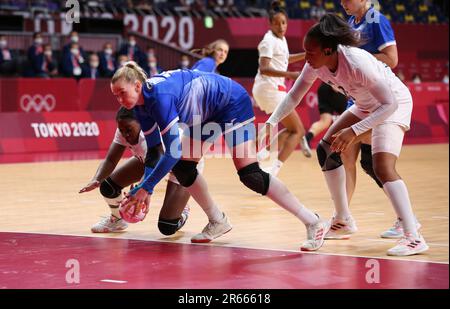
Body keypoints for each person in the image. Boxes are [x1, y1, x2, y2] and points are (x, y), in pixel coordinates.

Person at [110, 62, 329, 251]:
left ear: (138, 86)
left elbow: (173, 151)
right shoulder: (140, 106)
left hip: (230, 102)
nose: (119, 99)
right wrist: (144, 186)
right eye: (115, 96)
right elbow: (155, 152)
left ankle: (312, 222)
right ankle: (217, 221)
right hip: (205, 113)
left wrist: (147, 188)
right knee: (184, 169)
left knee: (250, 175)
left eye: (122, 92)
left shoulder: (159, 98)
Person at [266, 14, 429, 256]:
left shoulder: (356, 62)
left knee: (382, 165)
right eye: (305, 51)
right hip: (365, 104)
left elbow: (389, 104)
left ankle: (413, 237)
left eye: (311, 52)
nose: (306, 57)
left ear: (329, 50)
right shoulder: (315, 64)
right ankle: (343, 221)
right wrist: (271, 122)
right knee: (326, 148)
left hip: (394, 103)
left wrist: (353, 131)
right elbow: (294, 96)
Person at [79, 107, 198, 236]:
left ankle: (182, 210)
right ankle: (117, 219)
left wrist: (142, 190)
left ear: (142, 124)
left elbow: (158, 168)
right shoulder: (124, 130)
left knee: (167, 226)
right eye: (121, 130)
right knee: (108, 187)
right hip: (149, 160)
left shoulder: (150, 137)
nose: (125, 134)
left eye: (129, 130)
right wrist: (96, 179)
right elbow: (110, 160)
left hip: (182, 164)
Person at [252, 1, 310, 177]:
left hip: (273, 89)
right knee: (299, 131)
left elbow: (284, 58)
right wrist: (290, 75)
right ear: (270, 24)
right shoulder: (268, 40)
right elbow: (264, 67)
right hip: (269, 88)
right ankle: (272, 166)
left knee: (293, 129)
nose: (281, 26)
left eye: (283, 22)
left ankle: (265, 150)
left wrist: (306, 55)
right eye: (276, 23)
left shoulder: (281, 39)